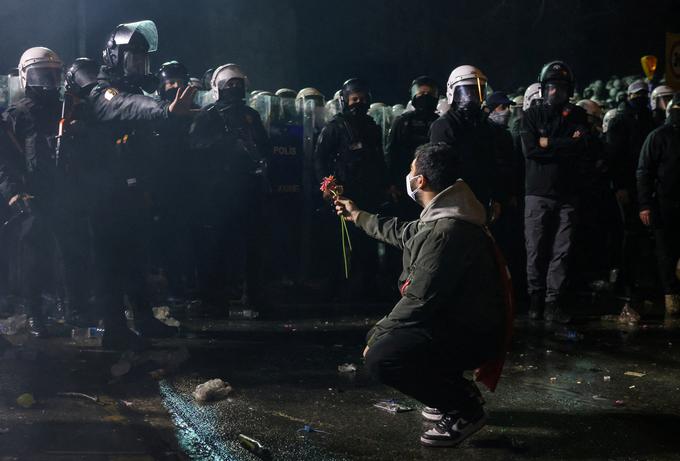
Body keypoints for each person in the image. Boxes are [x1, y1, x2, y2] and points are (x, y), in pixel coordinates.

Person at [334, 142, 505, 447]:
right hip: (460, 322)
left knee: (382, 357)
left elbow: (419, 300)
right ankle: (454, 391)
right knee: (397, 338)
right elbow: (402, 232)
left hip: (471, 333)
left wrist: (377, 335)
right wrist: (358, 215)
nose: (408, 175)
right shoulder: (447, 215)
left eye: (411, 170)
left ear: (421, 181)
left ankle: (464, 409)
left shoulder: (447, 231)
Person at [89, 20, 196, 349]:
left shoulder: (134, 89)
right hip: (102, 193)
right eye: (133, 58)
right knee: (110, 261)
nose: (140, 65)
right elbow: (122, 105)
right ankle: (114, 329)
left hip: (129, 189)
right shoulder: (101, 89)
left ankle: (144, 319)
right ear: (115, 57)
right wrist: (165, 108)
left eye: (143, 59)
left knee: (136, 257)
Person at [189, 63, 270, 309]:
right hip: (219, 190)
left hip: (249, 188)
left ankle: (253, 296)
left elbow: (264, 147)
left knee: (253, 246)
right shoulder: (208, 115)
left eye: (238, 84)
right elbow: (195, 147)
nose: (235, 88)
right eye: (229, 85)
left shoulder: (251, 115)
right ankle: (213, 298)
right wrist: (225, 144)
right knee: (216, 246)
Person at [1, 47, 65, 337]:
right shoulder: (16, 115)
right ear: (26, 77)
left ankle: (67, 307)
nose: (48, 82)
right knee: (33, 258)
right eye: (41, 75)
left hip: (60, 191)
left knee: (66, 253)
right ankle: (34, 313)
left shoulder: (65, 108)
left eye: (53, 75)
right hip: (30, 195)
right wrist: (14, 193)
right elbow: (4, 160)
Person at [521, 60, 589, 323]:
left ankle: (553, 302)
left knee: (562, 250)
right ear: (543, 88)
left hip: (567, 193)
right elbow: (531, 150)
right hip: (537, 193)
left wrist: (549, 143)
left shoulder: (578, 116)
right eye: (551, 87)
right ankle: (535, 300)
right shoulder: (531, 116)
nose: (555, 92)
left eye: (560, 87)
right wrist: (565, 144)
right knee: (536, 250)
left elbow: (582, 145)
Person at [314, 78, 388, 299]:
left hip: (369, 192)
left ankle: (368, 285)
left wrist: (386, 184)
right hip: (343, 193)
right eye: (354, 99)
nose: (359, 103)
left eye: (363, 99)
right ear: (345, 101)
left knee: (368, 239)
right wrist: (326, 185)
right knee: (338, 240)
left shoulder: (372, 127)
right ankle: (335, 285)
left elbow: (379, 158)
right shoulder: (335, 127)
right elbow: (319, 159)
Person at [430, 65, 502, 213]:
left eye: (477, 92)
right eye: (465, 93)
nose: (471, 98)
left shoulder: (485, 125)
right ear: (452, 93)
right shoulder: (444, 125)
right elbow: (440, 168)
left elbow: (492, 162)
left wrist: (496, 196)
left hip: (481, 196)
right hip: (455, 200)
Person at [637, 94, 680, 317]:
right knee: (666, 252)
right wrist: (645, 204)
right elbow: (644, 172)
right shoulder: (658, 137)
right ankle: (671, 298)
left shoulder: (658, 135)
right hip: (665, 204)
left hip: (668, 203)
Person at [386, 76, 439, 219]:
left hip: (433, 184)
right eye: (421, 94)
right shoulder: (402, 122)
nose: (425, 98)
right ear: (414, 96)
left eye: (429, 94)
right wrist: (391, 183)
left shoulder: (440, 122)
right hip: (404, 181)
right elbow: (391, 152)